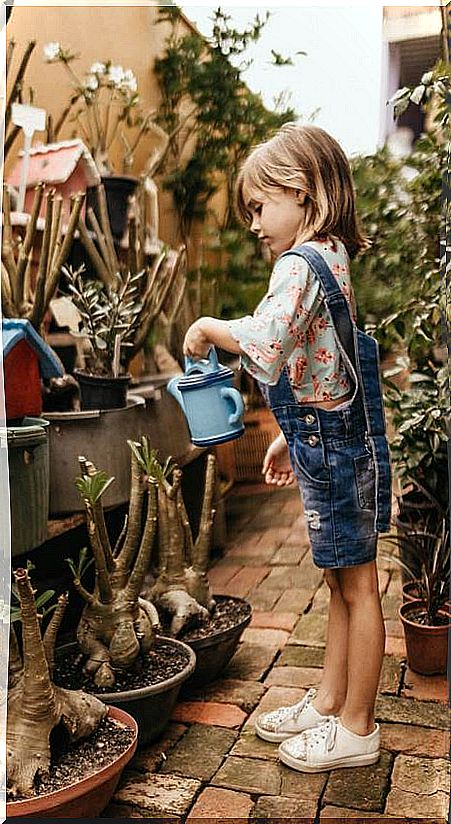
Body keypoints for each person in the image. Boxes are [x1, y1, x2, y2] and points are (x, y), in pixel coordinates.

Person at [183, 123, 391, 773]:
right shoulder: (326, 256)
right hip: (326, 439)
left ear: (298, 192)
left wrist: (208, 327)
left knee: (356, 586)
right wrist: (285, 438)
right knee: (338, 581)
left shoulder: (300, 262)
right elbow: (318, 362)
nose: (253, 223)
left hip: (331, 445)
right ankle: (331, 700)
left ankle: (356, 725)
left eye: (257, 206)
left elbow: (268, 342)